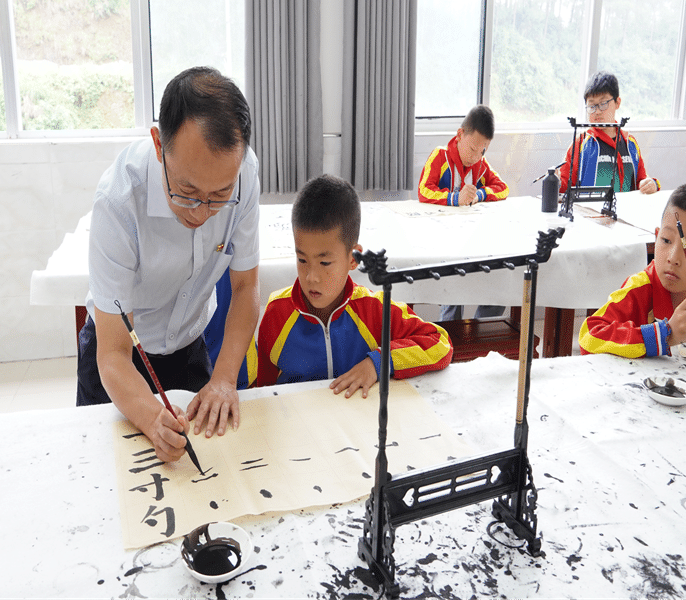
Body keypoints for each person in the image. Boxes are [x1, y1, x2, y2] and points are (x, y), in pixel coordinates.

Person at [77, 66, 261, 463]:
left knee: (207, 470)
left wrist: (224, 379)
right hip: (120, 360)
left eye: (220, 195)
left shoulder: (244, 173)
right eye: (187, 191)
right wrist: (149, 417)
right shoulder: (119, 202)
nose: (202, 213)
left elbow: (245, 287)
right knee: (110, 479)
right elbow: (112, 352)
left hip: (189, 346)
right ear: (159, 144)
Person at [257, 174, 453, 396]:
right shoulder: (276, 314)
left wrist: (378, 363)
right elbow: (260, 393)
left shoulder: (374, 309)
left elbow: (440, 343)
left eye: (324, 263)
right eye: (302, 260)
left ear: (353, 258)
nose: (312, 277)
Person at [579, 183, 686, 357]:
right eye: (666, 240)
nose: (673, 258)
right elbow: (588, 336)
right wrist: (666, 334)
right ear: (656, 237)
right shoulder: (638, 289)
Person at [417, 104, 508, 321]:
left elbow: (503, 187)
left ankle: (476, 330)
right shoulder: (440, 156)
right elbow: (423, 190)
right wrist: (454, 198)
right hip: (442, 243)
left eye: (482, 151)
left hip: (473, 242)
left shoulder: (481, 164)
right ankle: (451, 334)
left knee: (500, 288)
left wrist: (480, 194)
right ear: (459, 135)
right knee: (452, 296)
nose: (476, 156)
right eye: (473, 149)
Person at [559, 71, 659, 195]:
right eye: (592, 106)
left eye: (603, 104)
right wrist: (555, 181)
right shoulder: (580, 143)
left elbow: (642, 180)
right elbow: (564, 186)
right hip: (590, 208)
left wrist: (651, 184)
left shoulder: (630, 142)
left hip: (626, 207)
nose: (597, 112)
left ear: (617, 103)